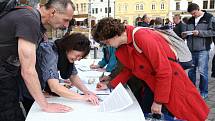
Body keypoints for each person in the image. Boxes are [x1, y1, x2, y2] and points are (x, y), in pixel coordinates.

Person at [92, 17, 209, 121]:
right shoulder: (123, 45)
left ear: (115, 34)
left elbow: (164, 70)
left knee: (182, 113)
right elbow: (128, 70)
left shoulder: (141, 37)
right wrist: (109, 85)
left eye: (107, 42)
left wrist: (158, 101)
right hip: (152, 86)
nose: (108, 45)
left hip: (170, 85)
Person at [0, 0, 75, 120]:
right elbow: (28, 70)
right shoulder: (29, 20)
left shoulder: (32, 19)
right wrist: (45, 105)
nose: (66, 25)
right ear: (53, 12)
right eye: (66, 20)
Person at [21, 33, 99, 114]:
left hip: (40, 89)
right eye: (78, 55)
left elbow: (73, 76)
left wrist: (86, 91)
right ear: (70, 47)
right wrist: (82, 97)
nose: (78, 59)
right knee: (34, 112)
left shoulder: (66, 54)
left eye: (81, 57)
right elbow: (54, 87)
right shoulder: (49, 51)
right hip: (28, 87)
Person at [182, 3, 215, 99]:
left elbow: (213, 32)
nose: (193, 15)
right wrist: (185, 35)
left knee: (202, 72)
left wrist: (199, 33)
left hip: (203, 50)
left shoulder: (209, 17)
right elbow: (188, 32)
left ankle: (203, 92)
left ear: (198, 9)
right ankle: (192, 92)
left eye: (194, 13)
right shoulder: (190, 20)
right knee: (191, 72)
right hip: (191, 50)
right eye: (191, 14)